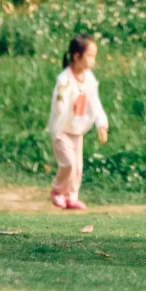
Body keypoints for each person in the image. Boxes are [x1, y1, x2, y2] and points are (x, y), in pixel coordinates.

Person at [47, 34, 109, 210]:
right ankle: (58, 191)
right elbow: (59, 105)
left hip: (77, 130)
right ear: (77, 56)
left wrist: (102, 124)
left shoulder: (89, 79)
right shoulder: (64, 79)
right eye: (90, 56)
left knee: (78, 167)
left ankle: (71, 197)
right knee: (69, 164)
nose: (93, 61)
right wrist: (62, 97)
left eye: (94, 56)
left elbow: (94, 102)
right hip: (61, 130)